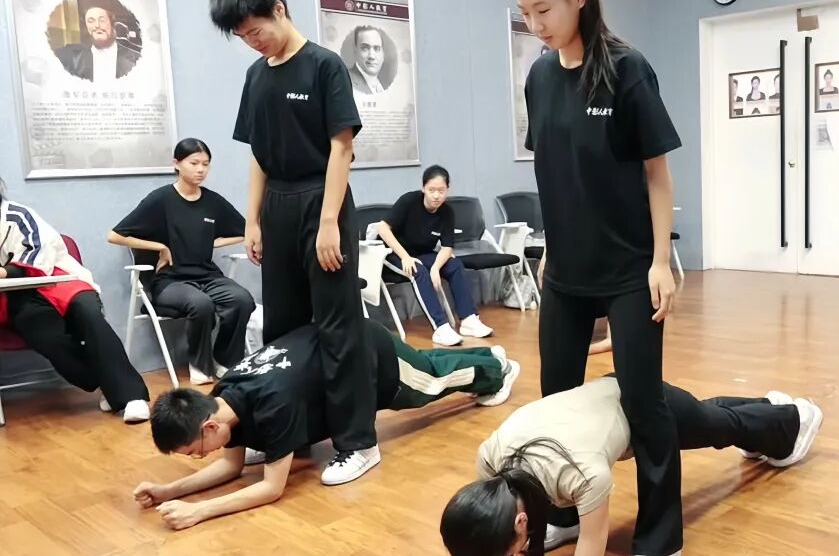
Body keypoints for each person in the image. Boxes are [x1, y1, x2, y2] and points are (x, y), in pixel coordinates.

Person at [512, 0, 683, 556]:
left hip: (630, 270)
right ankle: (560, 516)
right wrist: (549, 251)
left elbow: (657, 174)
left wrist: (661, 262)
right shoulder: (539, 77)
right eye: (525, 13)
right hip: (565, 272)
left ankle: (661, 538)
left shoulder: (627, 69)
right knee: (555, 399)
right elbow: (557, 174)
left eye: (544, 10)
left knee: (643, 402)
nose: (535, 24)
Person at [210, 0, 377, 486]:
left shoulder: (325, 66)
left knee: (336, 327)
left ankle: (358, 442)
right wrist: (252, 220)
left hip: (322, 200)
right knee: (281, 328)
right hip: (277, 206)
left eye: (256, 30)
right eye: (243, 37)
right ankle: (293, 435)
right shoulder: (256, 76)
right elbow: (258, 155)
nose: (252, 42)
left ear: (279, 9)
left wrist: (329, 223)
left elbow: (342, 148)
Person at [134, 319, 521, 530]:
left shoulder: (273, 405)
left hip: (366, 352)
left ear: (208, 427)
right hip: (332, 352)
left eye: (195, 452)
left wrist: (199, 512)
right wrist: (168, 491)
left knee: (430, 382)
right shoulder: (222, 397)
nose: (200, 457)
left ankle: (497, 368)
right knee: (428, 367)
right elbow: (232, 467)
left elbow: (271, 488)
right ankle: (488, 357)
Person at [440, 377, 823, 556]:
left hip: (637, 401)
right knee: (705, 417)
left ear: (521, 521)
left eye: (507, 551)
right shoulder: (489, 460)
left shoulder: (582, 474)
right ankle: (769, 407)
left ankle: (794, 417)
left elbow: (593, 542)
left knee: (715, 426)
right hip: (600, 400)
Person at [0, 179, 149, 422]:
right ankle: (105, 382)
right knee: (47, 337)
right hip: (16, 294)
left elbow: (38, 253)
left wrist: (4, 271)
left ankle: (132, 396)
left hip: (59, 277)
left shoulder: (16, 215)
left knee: (89, 314)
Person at [108, 138, 255, 385]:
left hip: (207, 276)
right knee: (201, 304)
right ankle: (199, 365)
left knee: (242, 300)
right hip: (169, 281)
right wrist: (161, 247)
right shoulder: (161, 199)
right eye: (194, 163)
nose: (200, 170)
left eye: (205, 164)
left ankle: (225, 361)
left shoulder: (213, 201)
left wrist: (210, 242)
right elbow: (115, 236)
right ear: (176, 164)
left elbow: (246, 230)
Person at [377, 165, 495, 346]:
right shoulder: (409, 201)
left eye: (441, 190)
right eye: (431, 190)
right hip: (393, 253)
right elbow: (383, 228)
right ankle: (440, 327)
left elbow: (447, 248)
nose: (436, 195)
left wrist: (435, 268)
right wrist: (405, 257)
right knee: (418, 270)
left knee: (455, 265)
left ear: (448, 189)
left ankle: (468, 320)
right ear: (423, 188)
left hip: (423, 253)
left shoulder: (447, 212)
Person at [55, 2, 139, 82]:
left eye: (102, 20)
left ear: (112, 24)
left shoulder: (136, 59)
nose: (97, 25)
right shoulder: (72, 58)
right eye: (91, 21)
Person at [349, 26, 392, 94]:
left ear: (383, 53)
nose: (371, 56)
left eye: (377, 48)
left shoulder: (384, 85)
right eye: (365, 48)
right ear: (355, 50)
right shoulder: (346, 80)